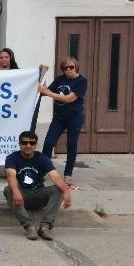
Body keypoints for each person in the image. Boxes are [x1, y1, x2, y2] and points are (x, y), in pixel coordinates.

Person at [3, 131, 71, 240]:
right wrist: (16, 192)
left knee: (57, 189)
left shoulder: (42, 158)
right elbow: (11, 176)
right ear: (19, 144)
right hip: (21, 195)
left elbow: (55, 176)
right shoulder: (12, 158)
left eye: (32, 143)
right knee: (8, 189)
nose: (28, 146)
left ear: (36, 145)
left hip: (39, 194)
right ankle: (29, 226)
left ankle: (45, 227)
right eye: (24, 143)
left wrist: (66, 192)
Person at [38, 57, 88, 186]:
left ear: (76, 67)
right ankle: (42, 171)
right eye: (65, 68)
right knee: (49, 143)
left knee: (71, 145)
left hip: (74, 117)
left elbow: (68, 99)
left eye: (71, 67)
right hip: (59, 117)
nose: (68, 70)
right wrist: (41, 78)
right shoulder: (60, 79)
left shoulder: (82, 81)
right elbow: (45, 91)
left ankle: (68, 174)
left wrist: (48, 92)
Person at [0, 47, 20, 179]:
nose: (4, 59)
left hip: (11, 112)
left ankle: (11, 168)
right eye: (1, 57)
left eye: (6, 57)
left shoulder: (19, 73)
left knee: (12, 139)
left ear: (11, 58)